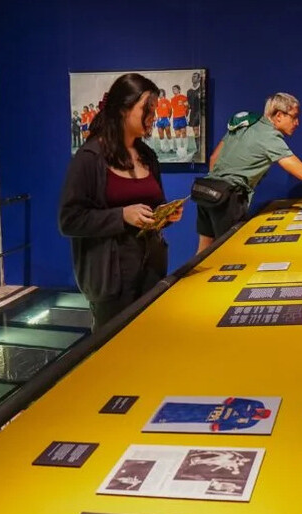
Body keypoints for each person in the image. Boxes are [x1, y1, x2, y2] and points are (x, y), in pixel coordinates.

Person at [59, 73, 184, 329]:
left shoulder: (147, 155)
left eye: (154, 108)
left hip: (151, 269)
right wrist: (121, 216)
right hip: (110, 279)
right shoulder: (89, 157)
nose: (154, 116)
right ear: (122, 110)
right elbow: (69, 220)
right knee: (112, 349)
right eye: (146, 109)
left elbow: (152, 207)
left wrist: (165, 216)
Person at [195, 93, 302, 253]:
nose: (297, 122)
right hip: (227, 199)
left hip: (207, 190)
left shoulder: (247, 124)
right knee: (229, 255)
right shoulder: (270, 137)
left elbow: (214, 158)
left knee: (203, 253)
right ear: (279, 116)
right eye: (294, 117)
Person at [170, 85, 189, 158]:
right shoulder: (172, 99)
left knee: (183, 133)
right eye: (173, 89)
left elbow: (187, 107)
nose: (174, 90)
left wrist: (186, 116)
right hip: (175, 118)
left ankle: (185, 148)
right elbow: (173, 109)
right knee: (177, 134)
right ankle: (178, 149)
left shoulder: (183, 97)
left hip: (182, 117)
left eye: (175, 89)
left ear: (179, 90)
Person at [186, 72, 203, 157]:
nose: (193, 78)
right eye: (192, 77)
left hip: (202, 112)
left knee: (203, 131)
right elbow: (188, 105)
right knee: (196, 132)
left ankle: (203, 149)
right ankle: (198, 149)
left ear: (199, 79)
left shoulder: (202, 89)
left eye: (195, 77)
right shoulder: (189, 91)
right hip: (194, 113)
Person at [154, 89, 173, 153]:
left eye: (160, 93)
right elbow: (155, 111)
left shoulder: (167, 101)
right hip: (159, 120)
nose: (159, 94)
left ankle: (171, 149)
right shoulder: (157, 102)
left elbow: (170, 111)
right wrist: (156, 117)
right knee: (161, 135)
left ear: (163, 93)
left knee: (168, 134)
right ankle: (162, 149)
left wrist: (168, 117)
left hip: (165, 119)